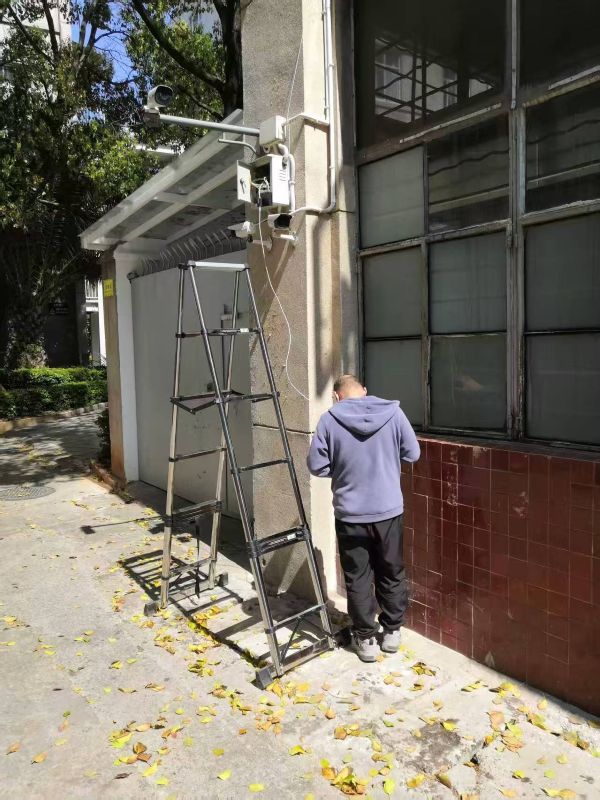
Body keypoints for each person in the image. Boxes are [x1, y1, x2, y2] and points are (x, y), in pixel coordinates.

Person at [307, 374, 420, 662]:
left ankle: (366, 638)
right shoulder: (393, 413)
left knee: (358, 577)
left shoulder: (329, 420)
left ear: (337, 397)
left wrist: (342, 470)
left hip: (350, 514)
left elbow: (317, 466)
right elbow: (413, 453)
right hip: (388, 510)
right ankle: (392, 632)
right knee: (391, 571)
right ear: (365, 391)